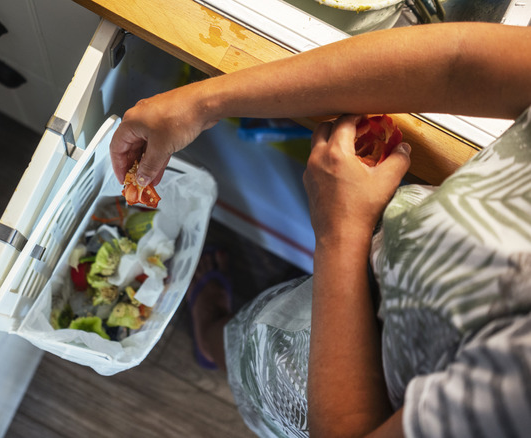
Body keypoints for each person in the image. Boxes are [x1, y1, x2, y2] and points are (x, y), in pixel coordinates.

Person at [109, 22, 531, 437]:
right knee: (271, 316)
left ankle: (210, 339)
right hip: (367, 274)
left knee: (250, 358)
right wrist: (203, 102)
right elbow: (456, 61)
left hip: (313, 389)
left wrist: (341, 231)